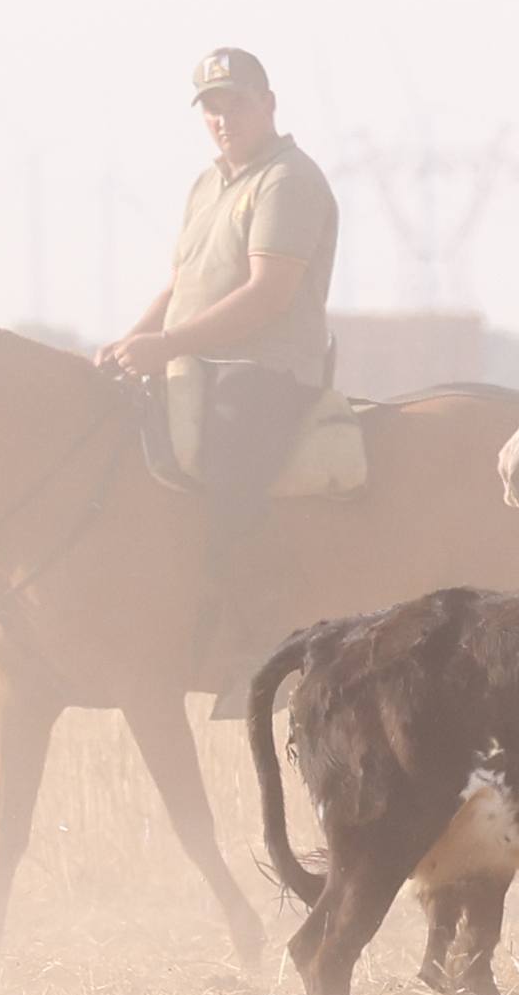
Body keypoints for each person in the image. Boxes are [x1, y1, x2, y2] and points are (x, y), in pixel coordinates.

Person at [102, 47, 341, 670]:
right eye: (211, 106)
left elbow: (269, 295)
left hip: (264, 372)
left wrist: (169, 346)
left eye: (235, 103)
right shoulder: (208, 184)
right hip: (196, 364)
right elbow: (178, 288)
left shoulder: (288, 180)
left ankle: (260, 637)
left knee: (227, 474)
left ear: (268, 103)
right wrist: (130, 344)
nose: (222, 118)